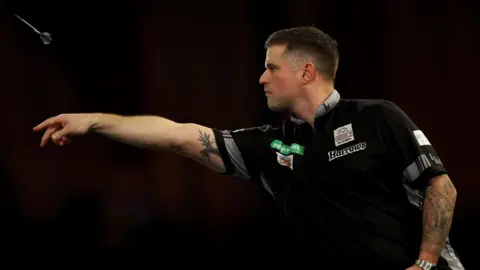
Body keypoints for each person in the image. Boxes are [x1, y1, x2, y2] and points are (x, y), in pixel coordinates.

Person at [33, 26, 464, 269]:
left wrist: (425, 264)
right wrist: (93, 121)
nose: (261, 79)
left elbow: (440, 188)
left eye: (271, 68)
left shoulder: (378, 117)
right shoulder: (268, 145)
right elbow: (178, 134)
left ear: (306, 72)